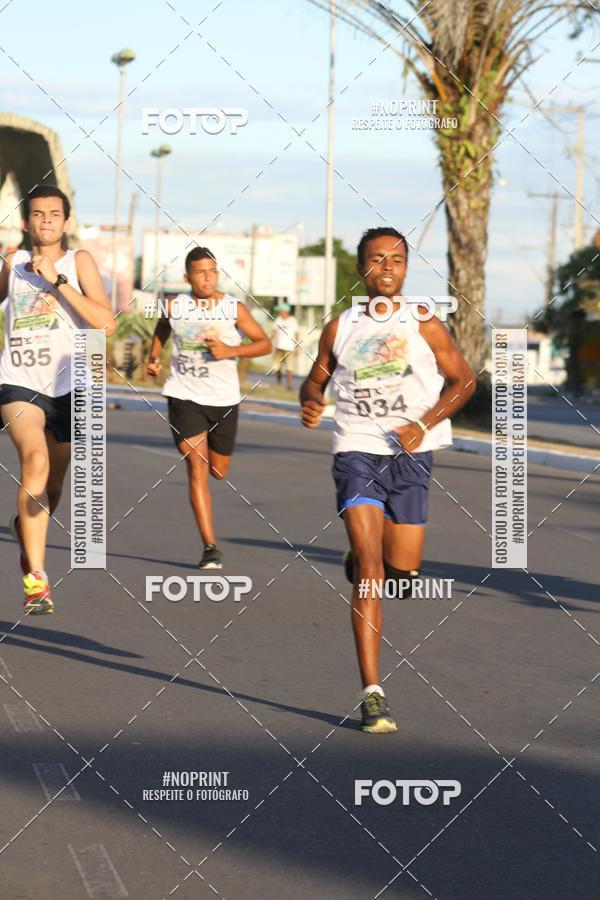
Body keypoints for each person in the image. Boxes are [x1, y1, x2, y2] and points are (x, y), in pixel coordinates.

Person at [300, 227, 476, 733]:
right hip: (357, 448)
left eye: (396, 259)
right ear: (361, 270)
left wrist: (422, 424)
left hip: (411, 456)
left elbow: (463, 380)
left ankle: (362, 557)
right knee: (374, 570)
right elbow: (316, 378)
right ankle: (373, 694)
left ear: (405, 269)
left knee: (400, 576)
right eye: (376, 259)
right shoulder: (340, 326)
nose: (386, 266)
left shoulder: (425, 323)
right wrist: (311, 400)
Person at [0, 185, 115, 614]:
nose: (45, 220)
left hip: (72, 386)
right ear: (26, 222)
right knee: (35, 460)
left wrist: (58, 280)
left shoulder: (78, 261)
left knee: (52, 484)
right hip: (18, 382)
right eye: (37, 214)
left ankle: (24, 530)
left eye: (53, 214)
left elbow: (105, 324)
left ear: (65, 222)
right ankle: (37, 580)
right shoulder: (11, 263)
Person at [147, 247, 271, 569]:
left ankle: (210, 541)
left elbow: (264, 343)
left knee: (218, 470)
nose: (208, 277)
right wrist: (153, 356)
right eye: (201, 272)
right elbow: (162, 326)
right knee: (197, 464)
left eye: (213, 271)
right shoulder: (175, 305)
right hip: (183, 394)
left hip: (224, 399)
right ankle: (210, 546)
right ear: (188, 277)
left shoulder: (233, 308)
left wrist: (231, 350)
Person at [272, 302, 299, 390]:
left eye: (280, 311)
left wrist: (297, 347)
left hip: (289, 348)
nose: (279, 312)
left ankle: (289, 385)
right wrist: (269, 341)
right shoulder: (278, 320)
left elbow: (297, 334)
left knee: (289, 367)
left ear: (285, 311)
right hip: (279, 347)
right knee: (276, 366)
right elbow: (274, 332)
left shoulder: (293, 321)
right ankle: (278, 383)